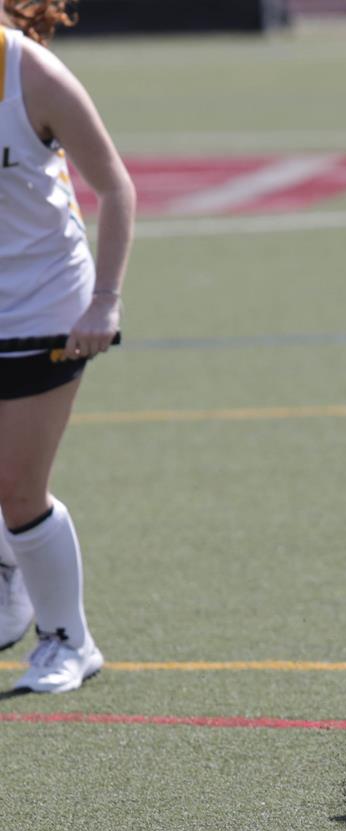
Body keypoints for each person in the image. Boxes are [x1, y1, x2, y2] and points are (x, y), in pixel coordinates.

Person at [0, 1, 133, 693]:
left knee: (19, 489)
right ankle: (11, 577)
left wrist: (105, 301)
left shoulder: (31, 73)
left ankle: (68, 642)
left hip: (44, 303)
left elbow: (115, 185)